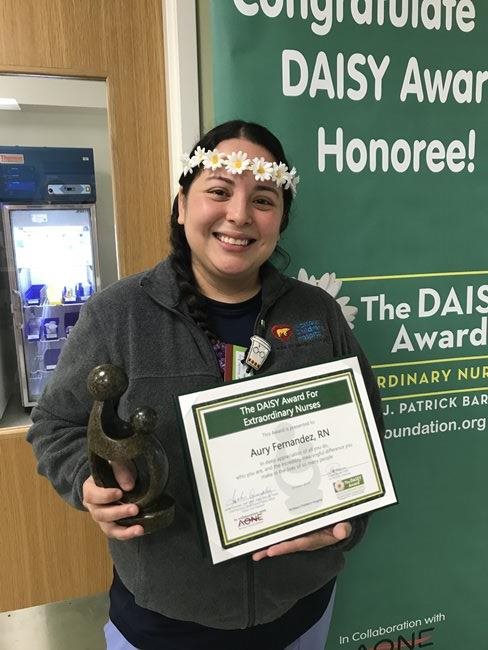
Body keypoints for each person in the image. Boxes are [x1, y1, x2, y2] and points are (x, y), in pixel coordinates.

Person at [27, 119, 383, 650]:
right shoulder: (118, 315)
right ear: (181, 205)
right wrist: (89, 481)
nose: (239, 215)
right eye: (218, 192)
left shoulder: (317, 315)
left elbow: (365, 431)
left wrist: (347, 524)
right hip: (162, 625)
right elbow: (56, 426)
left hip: (300, 614)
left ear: (281, 220)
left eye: (263, 199)